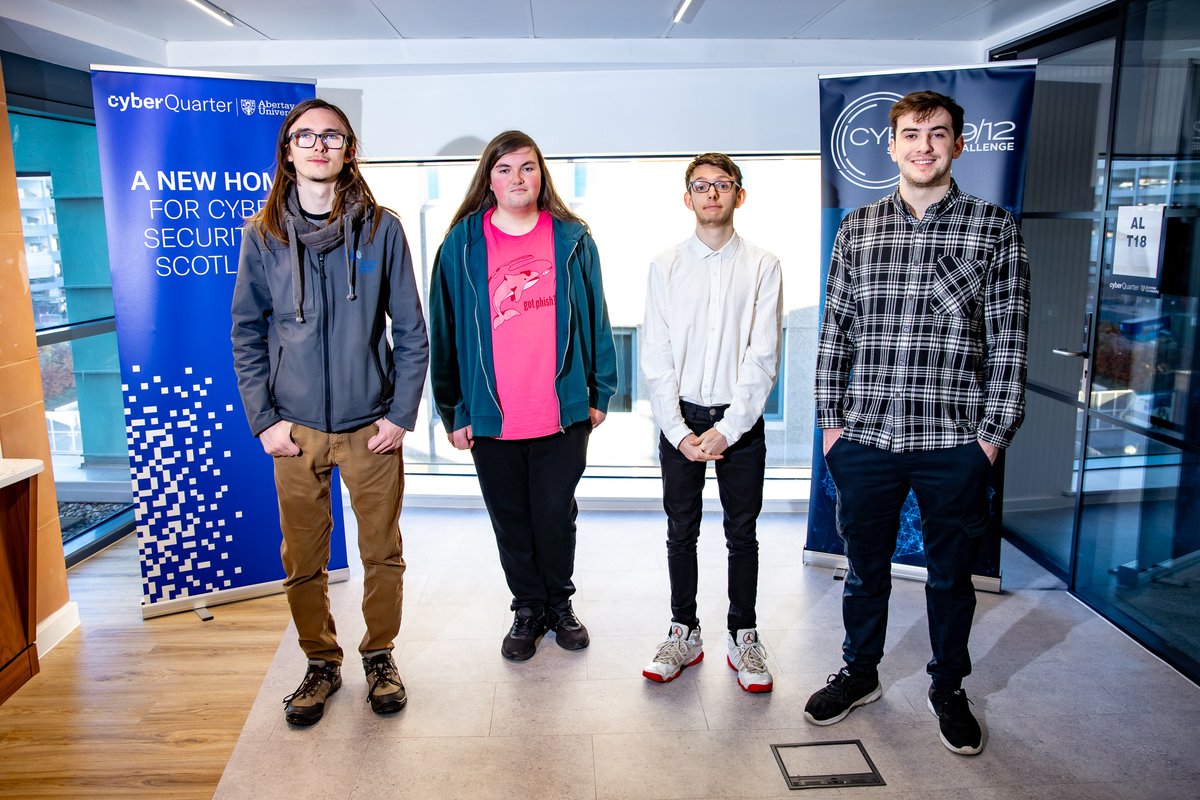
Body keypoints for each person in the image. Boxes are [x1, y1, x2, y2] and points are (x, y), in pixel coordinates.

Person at [808, 91, 1030, 755]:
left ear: (959, 145)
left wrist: (989, 441)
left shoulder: (994, 228)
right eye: (911, 134)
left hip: (954, 442)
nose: (924, 146)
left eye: (937, 135)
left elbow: (1010, 345)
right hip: (866, 437)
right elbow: (834, 333)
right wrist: (831, 430)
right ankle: (860, 672)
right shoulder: (858, 227)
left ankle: (948, 686)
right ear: (892, 144)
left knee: (949, 578)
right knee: (864, 570)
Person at [231, 98, 428, 726]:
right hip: (296, 432)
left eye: (332, 137)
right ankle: (320, 661)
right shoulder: (261, 236)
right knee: (303, 559)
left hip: (372, 428)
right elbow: (246, 332)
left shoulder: (381, 231)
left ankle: (379, 656)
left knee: (382, 553)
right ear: (288, 151)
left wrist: (399, 415)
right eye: (305, 136)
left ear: (349, 151)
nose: (319, 146)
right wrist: (264, 420)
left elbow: (412, 332)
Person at [428, 130, 617, 662]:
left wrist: (601, 389)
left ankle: (560, 604)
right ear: (489, 178)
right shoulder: (461, 245)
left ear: (542, 175)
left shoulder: (572, 238)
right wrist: (453, 409)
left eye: (528, 168)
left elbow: (596, 317)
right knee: (510, 518)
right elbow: (444, 331)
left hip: (561, 411)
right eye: (506, 168)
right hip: (492, 417)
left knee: (555, 513)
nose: (518, 178)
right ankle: (527, 607)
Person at [639, 153, 782, 692]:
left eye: (722, 185)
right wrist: (678, 432)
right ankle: (684, 631)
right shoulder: (665, 265)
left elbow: (763, 354)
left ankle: (743, 635)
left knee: (741, 533)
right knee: (682, 532)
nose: (712, 194)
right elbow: (656, 354)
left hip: (738, 423)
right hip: (681, 417)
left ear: (738, 195)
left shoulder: (763, 265)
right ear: (688, 198)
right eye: (701, 186)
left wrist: (730, 428)